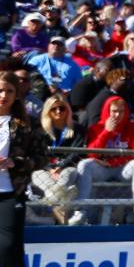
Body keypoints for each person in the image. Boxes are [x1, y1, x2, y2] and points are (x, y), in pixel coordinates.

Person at [0, 71, 49, 267]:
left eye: (8, 90)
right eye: (0, 90)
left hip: (11, 192)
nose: (3, 96)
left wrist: (14, 162)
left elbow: (42, 157)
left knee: (9, 247)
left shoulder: (25, 125)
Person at [78, 96, 134, 224]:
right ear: (107, 111)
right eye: (114, 111)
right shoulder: (96, 128)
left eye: (121, 111)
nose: (117, 115)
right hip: (102, 168)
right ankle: (81, 210)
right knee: (84, 164)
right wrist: (106, 132)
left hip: (123, 168)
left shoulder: (132, 127)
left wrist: (114, 162)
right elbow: (91, 153)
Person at [30, 94, 86, 225]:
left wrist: (61, 166)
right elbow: (37, 152)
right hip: (44, 168)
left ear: (68, 109)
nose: (58, 111)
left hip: (68, 167)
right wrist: (50, 168)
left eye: (62, 108)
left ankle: (53, 204)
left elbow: (77, 152)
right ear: (47, 111)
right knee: (38, 176)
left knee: (67, 175)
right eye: (53, 109)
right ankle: (62, 216)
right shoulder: (39, 129)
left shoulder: (77, 129)